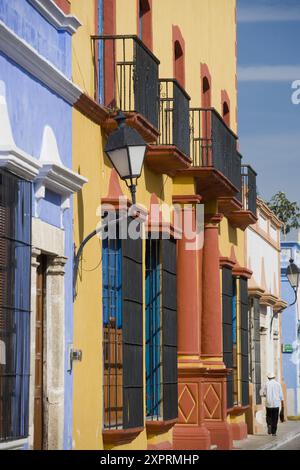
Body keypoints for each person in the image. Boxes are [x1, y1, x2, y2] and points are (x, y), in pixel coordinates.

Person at [261, 372, 284, 436]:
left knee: (268, 416)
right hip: (276, 404)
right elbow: (281, 396)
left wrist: (266, 395)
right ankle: (274, 432)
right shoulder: (278, 384)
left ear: (268, 377)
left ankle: (269, 425)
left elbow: (262, 393)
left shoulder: (266, 384)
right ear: (274, 377)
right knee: (275, 418)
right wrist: (283, 405)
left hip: (269, 403)